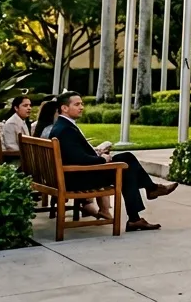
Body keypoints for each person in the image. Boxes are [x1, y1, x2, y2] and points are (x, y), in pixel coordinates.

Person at [50, 91, 176, 231]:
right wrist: (102, 159)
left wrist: (98, 154)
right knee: (125, 168)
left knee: (126, 158)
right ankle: (144, 202)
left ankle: (146, 199)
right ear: (64, 108)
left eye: (82, 104)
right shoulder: (65, 129)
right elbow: (79, 159)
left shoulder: (63, 126)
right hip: (77, 178)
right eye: (77, 104)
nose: (82, 107)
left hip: (74, 173)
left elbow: (74, 154)